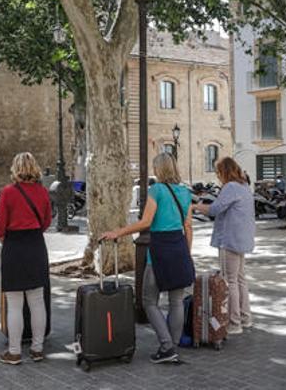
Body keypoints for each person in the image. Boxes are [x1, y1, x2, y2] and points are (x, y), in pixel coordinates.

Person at [101, 153, 194, 364]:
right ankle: (174, 344)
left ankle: (167, 346)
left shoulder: (157, 190)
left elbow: (145, 222)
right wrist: (187, 253)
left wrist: (118, 232)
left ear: (159, 169)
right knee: (176, 300)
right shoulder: (185, 192)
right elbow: (188, 226)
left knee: (149, 300)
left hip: (160, 249)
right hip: (179, 246)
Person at [0, 152, 53, 365]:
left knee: (15, 303)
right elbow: (46, 221)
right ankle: (37, 349)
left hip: (14, 247)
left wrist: (7, 242)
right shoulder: (43, 192)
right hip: (36, 246)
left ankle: (15, 351)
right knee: (37, 301)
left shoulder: (8, 192)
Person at [195, 157, 255, 335]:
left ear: (224, 172)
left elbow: (214, 209)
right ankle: (246, 318)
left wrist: (195, 207)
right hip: (242, 240)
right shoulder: (244, 187)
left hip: (229, 240)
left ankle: (234, 323)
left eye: (218, 172)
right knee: (240, 279)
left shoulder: (230, 187)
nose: (218, 176)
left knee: (230, 281)